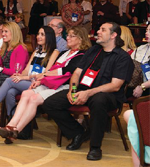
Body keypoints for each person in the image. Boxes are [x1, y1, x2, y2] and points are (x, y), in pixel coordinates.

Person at [42, 22, 134, 161]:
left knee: (99, 101)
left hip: (107, 96)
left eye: (103, 30)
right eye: (99, 29)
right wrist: (72, 90)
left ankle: (95, 147)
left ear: (113, 35)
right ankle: (78, 133)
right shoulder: (93, 50)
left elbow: (115, 85)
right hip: (82, 90)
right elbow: (77, 73)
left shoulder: (122, 57)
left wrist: (89, 93)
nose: (98, 31)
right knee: (50, 103)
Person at [0, 26, 91, 143]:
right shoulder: (65, 52)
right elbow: (54, 70)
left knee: (34, 99)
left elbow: (67, 70)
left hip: (65, 86)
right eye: (68, 35)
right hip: (52, 83)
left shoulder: (83, 54)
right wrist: (41, 80)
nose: (68, 38)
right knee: (26, 93)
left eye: (72, 36)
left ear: (81, 39)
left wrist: (43, 75)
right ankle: (11, 126)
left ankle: (15, 130)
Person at [0, 26, 58, 130]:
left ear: (49, 37)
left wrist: (25, 78)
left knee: (9, 80)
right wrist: (20, 75)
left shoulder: (54, 52)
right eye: (38, 34)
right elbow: (25, 70)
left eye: (42, 35)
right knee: (10, 91)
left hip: (38, 83)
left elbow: (45, 73)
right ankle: (11, 120)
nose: (38, 37)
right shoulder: (36, 52)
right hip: (28, 80)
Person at [127, 24, 150, 99]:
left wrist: (142, 87)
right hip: (134, 82)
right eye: (146, 30)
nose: (146, 33)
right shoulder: (140, 48)